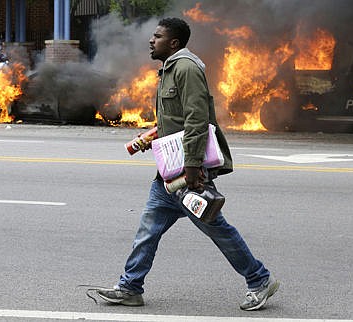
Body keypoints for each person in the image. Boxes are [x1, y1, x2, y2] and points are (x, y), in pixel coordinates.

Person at [94, 17, 279, 311]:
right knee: (147, 231)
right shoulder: (168, 69)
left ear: (174, 43)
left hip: (188, 172)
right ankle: (130, 287)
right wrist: (151, 136)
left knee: (217, 229)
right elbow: (175, 119)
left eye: (157, 36)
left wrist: (193, 167)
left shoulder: (186, 68)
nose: (151, 41)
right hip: (168, 174)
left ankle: (259, 280)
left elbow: (197, 119)